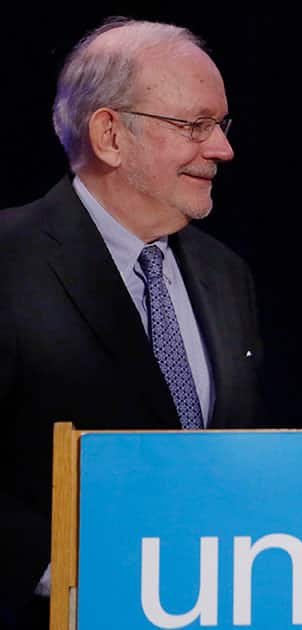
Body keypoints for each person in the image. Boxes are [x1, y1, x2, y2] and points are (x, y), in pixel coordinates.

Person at [0, 17, 264, 628]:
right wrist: (65, 569)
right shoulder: (9, 261)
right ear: (110, 135)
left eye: (221, 126)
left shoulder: (226, 276)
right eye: (195, 125)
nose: (223, 149)